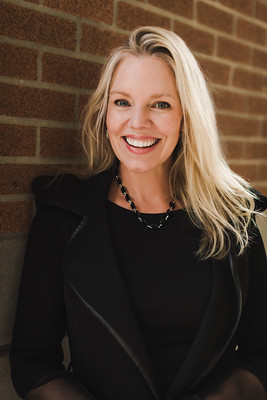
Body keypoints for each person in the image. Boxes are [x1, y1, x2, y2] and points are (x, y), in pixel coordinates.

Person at [10, 26, 267, 400]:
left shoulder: (233, 218)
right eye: (122, 102)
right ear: (105, 113)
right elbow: (33, 362)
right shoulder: (62, 217)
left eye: (160, 104)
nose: (137, 122)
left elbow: (261, 351)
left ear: (186, 116)